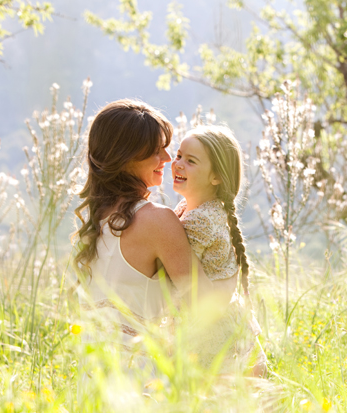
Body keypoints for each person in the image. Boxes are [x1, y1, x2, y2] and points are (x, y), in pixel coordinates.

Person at [72, 100, 236, 379]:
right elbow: (206, 306)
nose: (168, 159)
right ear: (126, 156)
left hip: (93, 375)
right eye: (155, 151)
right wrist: (231, 271)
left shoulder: (95, 220)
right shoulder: (158, 221)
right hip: (139, 377)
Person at [172, 124, 267, 376]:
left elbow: (172, 270)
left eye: (190, 161)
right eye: (179, 155)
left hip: (212, 333)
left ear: (216, 177)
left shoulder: (200, 220)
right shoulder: (198, 208)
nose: (178, 163)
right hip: (226, 321)